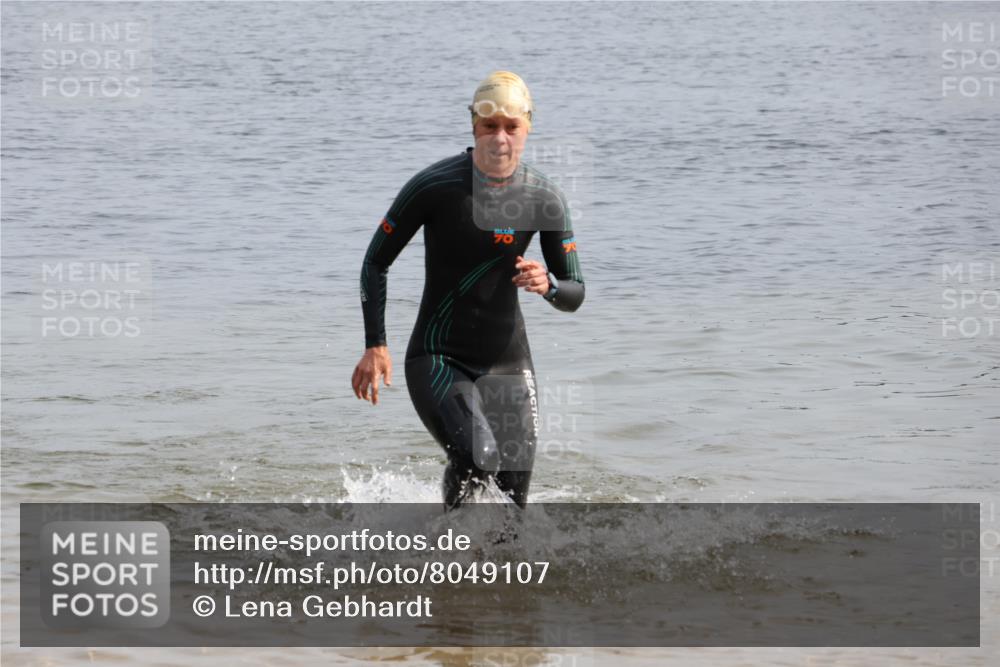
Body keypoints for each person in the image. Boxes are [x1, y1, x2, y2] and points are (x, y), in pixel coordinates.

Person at [351, 71, 584, 510]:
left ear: (528, 127)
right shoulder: (435, 187)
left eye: (511, 127)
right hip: (439, 357)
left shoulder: (544, 198)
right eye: (489, 126)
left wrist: (548, 285)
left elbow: (575, 291)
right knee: (480, 459)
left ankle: (485, 572)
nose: (500, 138)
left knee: (513, 507)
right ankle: (446, 542)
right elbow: (375, 262)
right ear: (473, 125)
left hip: (509, 363)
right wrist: (375, 345)